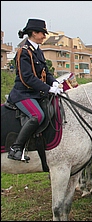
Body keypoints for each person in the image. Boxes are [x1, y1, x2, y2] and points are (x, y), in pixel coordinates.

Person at [7, 18, 63, 161]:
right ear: (33, 33)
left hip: (37, 93)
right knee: (37, 115)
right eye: (42, 33)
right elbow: (27, 78)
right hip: (23, 93)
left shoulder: (38, 51)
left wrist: (55, 82)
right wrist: (48, 88)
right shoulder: (23, 51)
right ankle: (16, 148)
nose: (44, 36)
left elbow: (46, 72)